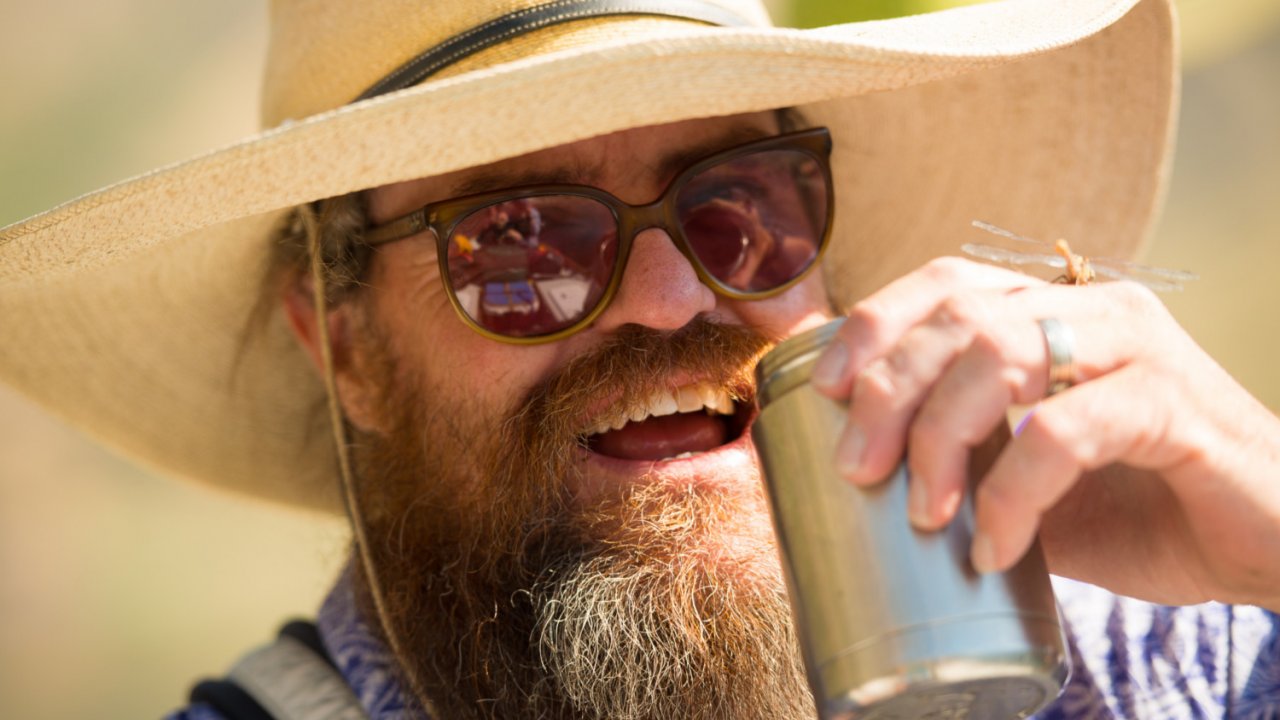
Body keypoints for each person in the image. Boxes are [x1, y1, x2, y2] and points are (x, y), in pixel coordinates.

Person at [1, 0, 1277, 717]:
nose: (673, 299)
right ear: (343, 345)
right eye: (520, 242)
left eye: (741, 201)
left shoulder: (1156, 665)